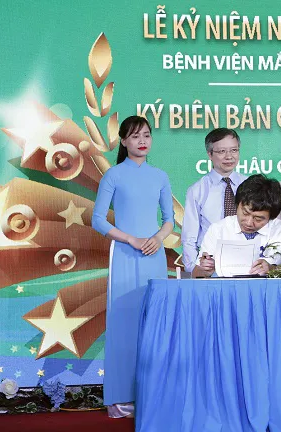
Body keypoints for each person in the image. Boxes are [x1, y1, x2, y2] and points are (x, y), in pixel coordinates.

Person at [92, 116, 174, 418]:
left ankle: (152, 394)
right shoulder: (113, 175)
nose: (142, 141)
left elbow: (169, 220)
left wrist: (157, 239)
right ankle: (119, 398)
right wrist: (131, 239)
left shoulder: (160, 176)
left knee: (154, 322)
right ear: (123, 141)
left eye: (147, 135)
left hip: (154, 255)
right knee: (123, 322)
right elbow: (97, 220)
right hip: (125, 255)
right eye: (135, 136)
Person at [192, 175, 281, 277]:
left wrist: (272, 269)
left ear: (271, 217)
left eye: (258, 219)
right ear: (237, 204)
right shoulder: (218, 230)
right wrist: (205, 270)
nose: (248, 222)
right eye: (245, 213)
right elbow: (195, 274)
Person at [181, 128, 247, 275]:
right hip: (212, 265)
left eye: (234, 150)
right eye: (222, 151)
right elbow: (189, 237)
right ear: (209, 154)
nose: (229, 156)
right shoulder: (197, 190)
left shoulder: (250, 185)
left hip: (247, 262)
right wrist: (194, 269)